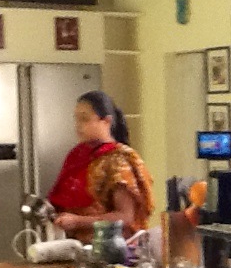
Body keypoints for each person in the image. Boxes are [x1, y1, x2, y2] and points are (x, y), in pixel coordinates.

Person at [48, 90, 154, 241]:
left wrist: (78, 222)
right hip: (74, 246)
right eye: (76, 119)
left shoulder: (118, 160)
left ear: (106, 121)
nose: (78, 126)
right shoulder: (77, 155)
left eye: (85, 119)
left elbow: (125, 217)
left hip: (111, 247)